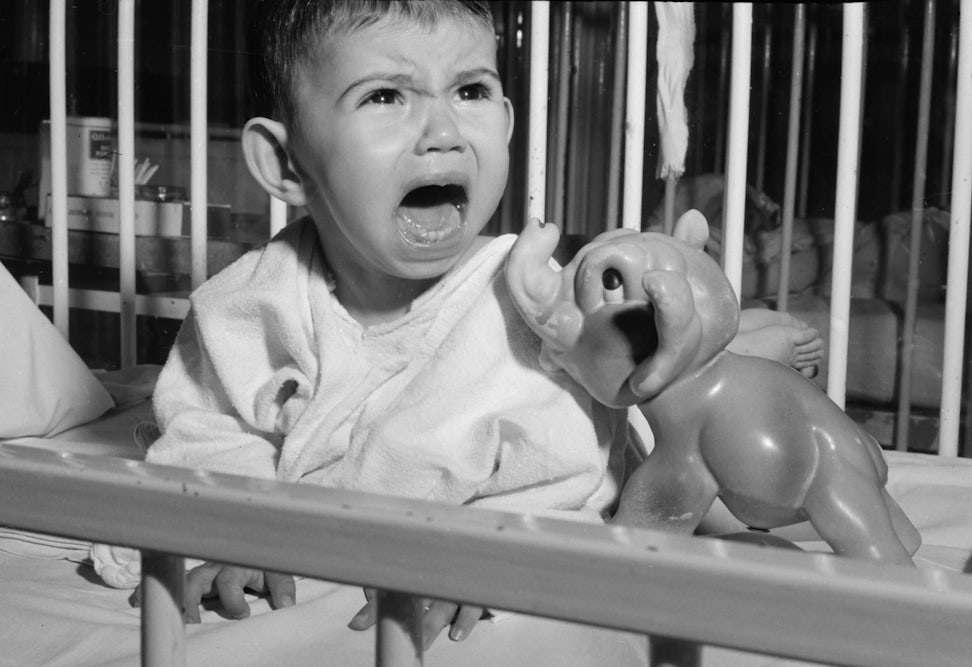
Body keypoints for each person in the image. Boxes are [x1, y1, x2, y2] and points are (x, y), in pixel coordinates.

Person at [91, 0, 821, 654]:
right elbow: (210, 424)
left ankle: (754, 343)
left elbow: (572, 462)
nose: (442, 132)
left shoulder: (530, 306)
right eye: (384, 95)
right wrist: (236, 528)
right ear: (286, 162)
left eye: (470, 91)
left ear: (503, 123)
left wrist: (504, 552)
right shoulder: (250, 301)